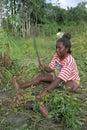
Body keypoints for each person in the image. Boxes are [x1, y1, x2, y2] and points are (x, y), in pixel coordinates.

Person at [12, 33, 80, 117]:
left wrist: (43, 93)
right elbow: (50, 69)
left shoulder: (69, 60)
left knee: (65, 89)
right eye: (56, 47)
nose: (57, 50)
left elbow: (58, 80)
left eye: (60, 48)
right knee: (41, 77)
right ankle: (20, 86)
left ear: (67, 49)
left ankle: (47, 110)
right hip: (58, 76)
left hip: (71, 80)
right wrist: (44, 67)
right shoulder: (56, 56)